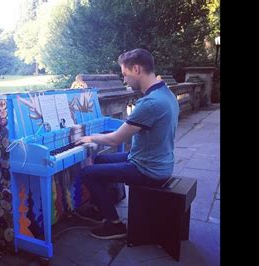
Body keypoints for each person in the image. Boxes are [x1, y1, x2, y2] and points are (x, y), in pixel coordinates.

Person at [74, 48, 180, 240]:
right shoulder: (166, 94)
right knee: (100, 159)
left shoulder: (150, 102)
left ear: (136, 69)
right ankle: (104, 205)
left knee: (86, 172)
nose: (124, 80)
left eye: (125, 74)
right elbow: (133, 127)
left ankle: (115, 225)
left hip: (149, 170)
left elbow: (115, 139)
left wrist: (90, 137)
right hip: (157, 161)